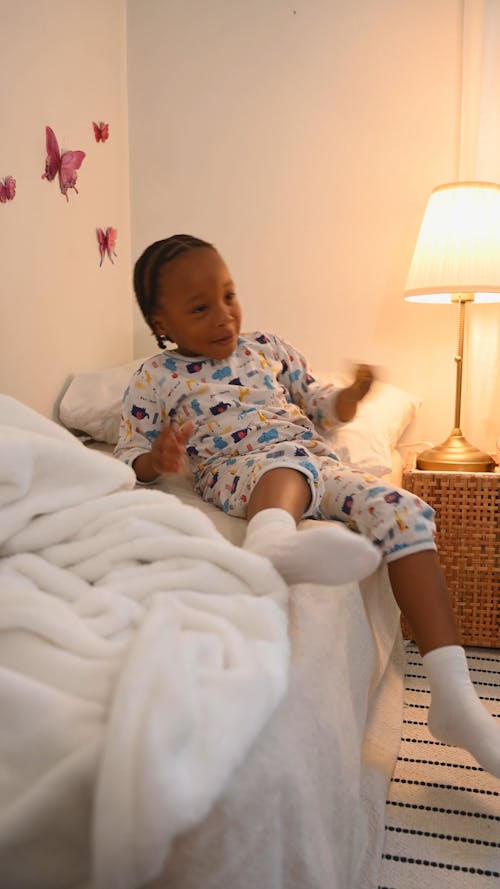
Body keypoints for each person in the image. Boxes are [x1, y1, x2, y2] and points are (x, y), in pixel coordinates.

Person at [115, 233, 500, 779]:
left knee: (406, 510)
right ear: (161, 323)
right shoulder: (154, 379)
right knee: (283, 466)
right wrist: (158, 458)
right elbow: (130, 454)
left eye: (229, 295)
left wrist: (354, 394)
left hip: (316, 458)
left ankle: (455, 697)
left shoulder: (268, 348)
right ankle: (272, 545)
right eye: (200, 308)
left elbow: (321, 407)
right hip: (240, 468)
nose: (225, 316)